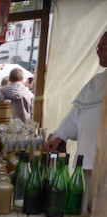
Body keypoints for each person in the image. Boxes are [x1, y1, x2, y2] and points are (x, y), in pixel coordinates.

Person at [44, 30, 107, 189]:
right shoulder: (95, 83)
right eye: (98, 48)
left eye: (104, 47)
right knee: (85, 209)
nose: (98, 52)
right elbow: (75, 116)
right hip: (87, 165)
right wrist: (59, 138)